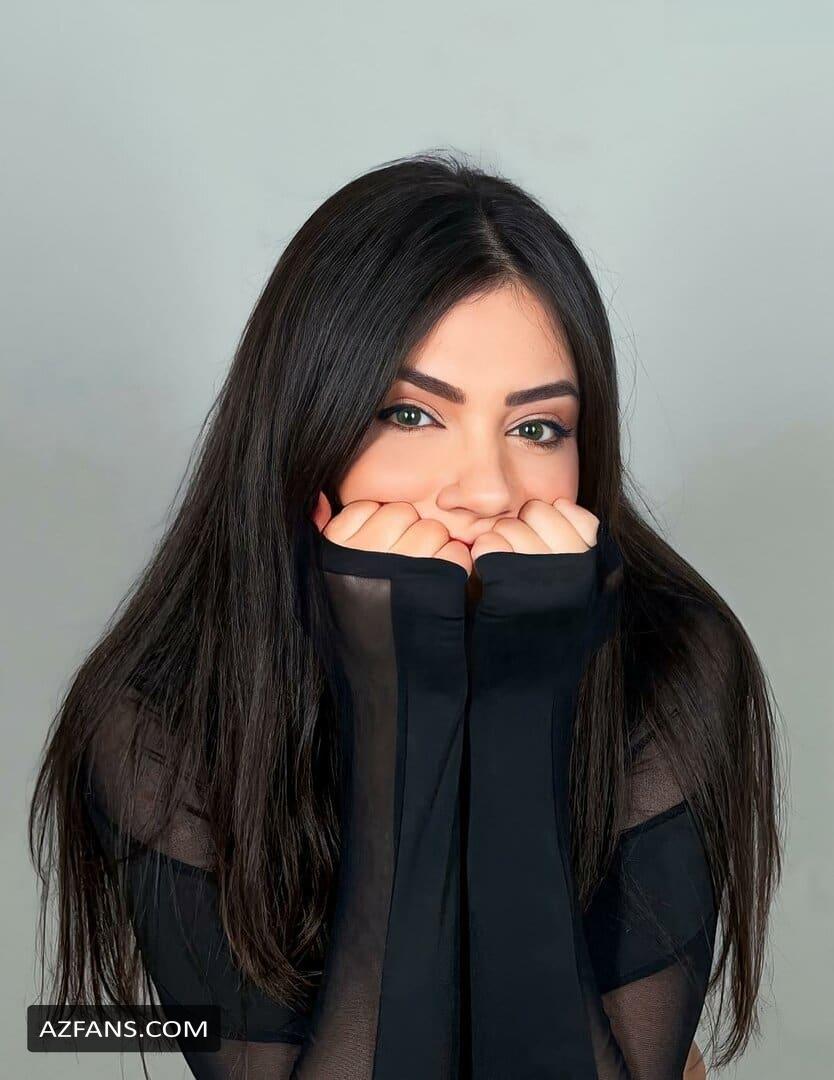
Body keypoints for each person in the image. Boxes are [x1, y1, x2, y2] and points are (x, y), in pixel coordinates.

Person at [29, 151, 783, 1078]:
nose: (486, 490)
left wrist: (518, 706)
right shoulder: (155, 718)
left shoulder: (673, 661)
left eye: (536, 428)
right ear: (308, 443)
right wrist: (405, 710)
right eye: (412, 416)